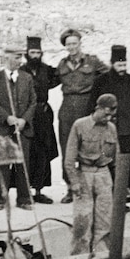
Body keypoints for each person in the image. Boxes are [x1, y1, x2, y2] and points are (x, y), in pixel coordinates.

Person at [56, 28, 109, 204]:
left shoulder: (92, 62)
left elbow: (108, 75)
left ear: (80, 44)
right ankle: (71, 188)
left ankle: (90, 188)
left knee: (89, 148)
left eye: (74, 43)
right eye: (68, 44)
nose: (72, 47)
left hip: (86, 108)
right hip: (67, 110)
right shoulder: (62, 64)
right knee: (67, 150)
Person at [64, 94, 118, 255]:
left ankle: (100, 258)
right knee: (83, 220)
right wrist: (74, 182)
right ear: (98, 108)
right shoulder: (80, 125)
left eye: (111, 115)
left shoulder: (111, 128)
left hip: (103, 175)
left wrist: (121, 184)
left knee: (104, 220)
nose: (108, 118)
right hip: (84, 174)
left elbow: (115, 160)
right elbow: (69, 159)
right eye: (106, 114)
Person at [91, 44, 130, 207]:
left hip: (126, 130)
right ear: (112, 64)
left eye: (124, 65)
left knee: (127, 164)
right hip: (107, 131)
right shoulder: (102, 80)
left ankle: (125, 197)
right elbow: (92, 104)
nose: (122, 68)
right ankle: (109, 198)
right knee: (108, 164)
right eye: (119, 65)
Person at [0, 45, 37, 211]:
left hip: (22, 128)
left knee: (22, 163)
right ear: (7, 57)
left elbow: (33, 102)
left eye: (20, 57)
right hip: (3, 128)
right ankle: (1, 198)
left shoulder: (27, 78)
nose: (20, 61)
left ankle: (24, 198)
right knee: (2, 163)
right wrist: (7, 118)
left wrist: (24, 120)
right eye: (16, 57)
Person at [19, 35, 61, 204]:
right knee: (27, 153)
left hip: (43, 114)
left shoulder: (47, 70)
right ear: (27, 53)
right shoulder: (21, 71)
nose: (35, 55)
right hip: (26, 116)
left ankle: (38, 191)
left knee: (43, 152)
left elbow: (60, 78)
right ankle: (25, 191)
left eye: (37, 52)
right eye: (32, 52)